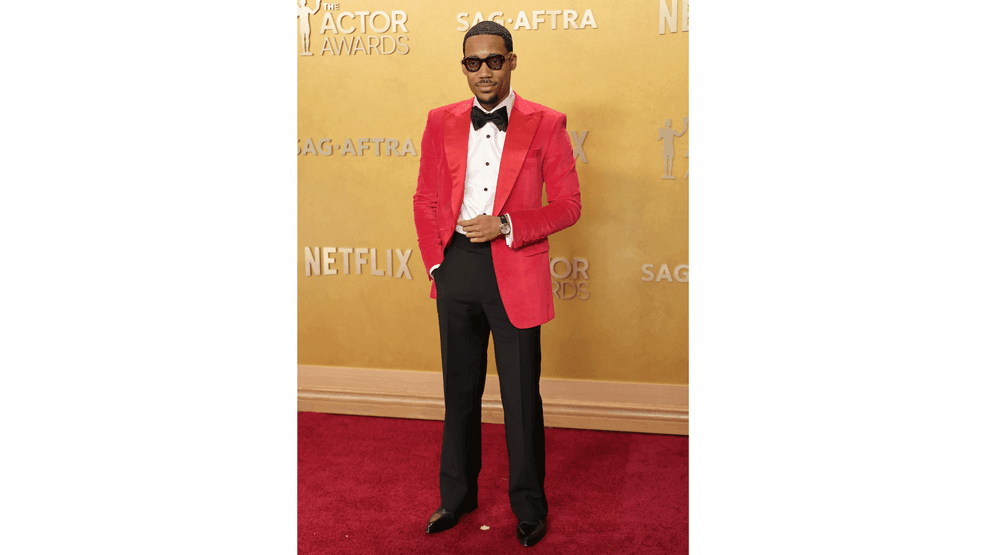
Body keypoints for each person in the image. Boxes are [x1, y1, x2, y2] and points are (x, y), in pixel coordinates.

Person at [411, 20, 581, 548]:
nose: (483, 71)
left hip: (516, 268)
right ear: (464, 67)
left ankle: (529, 507)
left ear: (511, 60)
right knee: (459, 392)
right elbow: (424, 198)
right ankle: (456, 497)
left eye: (493, 60)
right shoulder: (440, 120)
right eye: (472, 62)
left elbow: (570, 206)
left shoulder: (546, 123)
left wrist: (507, 226)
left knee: (520, 398)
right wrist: (437, 264)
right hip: (456, 268)